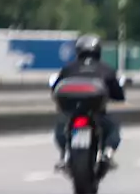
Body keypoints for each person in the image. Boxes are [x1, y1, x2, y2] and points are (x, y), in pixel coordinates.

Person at [51, 34, 125, 170]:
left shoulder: (68, 68)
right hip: (96, 114)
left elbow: (55, 88)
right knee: (113, 126)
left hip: (72, 113)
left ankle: (64, 155)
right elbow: (118, 93)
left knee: (61, 126)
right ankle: (108, 153)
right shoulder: (106, 69)